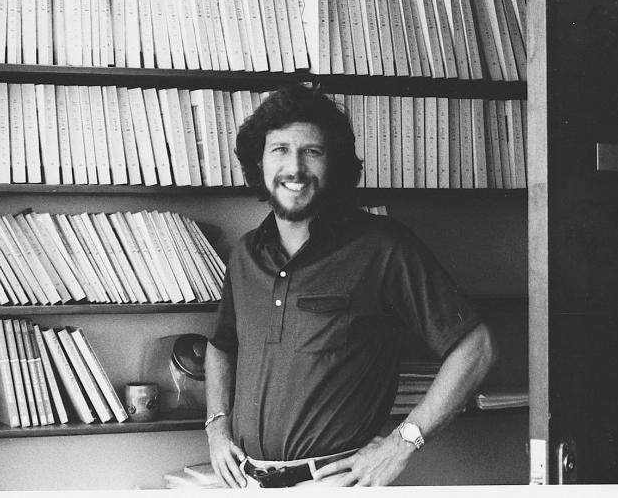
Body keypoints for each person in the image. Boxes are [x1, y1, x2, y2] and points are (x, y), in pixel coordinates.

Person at [205, 84, 496, 488]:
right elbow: (221, 347)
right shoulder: (245, 254)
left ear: (334, 165)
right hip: (246, 483)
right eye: (280, 150)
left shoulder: (382, 246)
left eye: (312, 151)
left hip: (337, 484)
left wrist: (402, 443)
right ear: (260, 164)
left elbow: (476, 347)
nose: (295, 168)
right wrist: (216, 427)